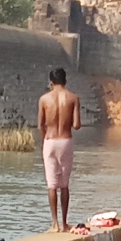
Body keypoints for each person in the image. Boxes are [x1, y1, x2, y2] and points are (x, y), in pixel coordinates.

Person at [37, 67, 81, 232]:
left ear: (51, 83)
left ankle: (54, 223)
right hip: (65, 141)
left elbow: (40, 124)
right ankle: (64, 223)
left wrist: (46, 139)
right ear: (65, 81)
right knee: (64, 185)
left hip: (50, 141)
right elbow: (77, 125)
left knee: (51, 184)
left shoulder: (44, 99)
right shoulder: (73, 98)